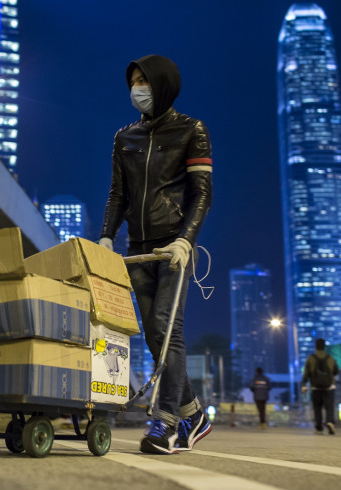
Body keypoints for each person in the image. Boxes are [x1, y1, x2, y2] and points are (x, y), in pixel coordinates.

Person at [99, 54, 213, 454]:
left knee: (168, 327)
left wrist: (186, 239)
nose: (137, 89)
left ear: (162, 84)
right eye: (132, 81)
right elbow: (118, 194)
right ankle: (195, 414)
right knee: (153, 334)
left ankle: (165, 423)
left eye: (144, 81)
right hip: (136, 249)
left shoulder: (191, 130)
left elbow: (202, 195)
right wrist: (106, 238)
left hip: (174, 248)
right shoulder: (123, 137)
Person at [301, 338, 339, 435]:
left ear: (316, 346)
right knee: (329, 407)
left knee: (317, 407)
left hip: (315, 387)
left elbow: (306, 373)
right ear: (324, 346)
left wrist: (304, 384)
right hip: (329, 387)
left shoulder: (311, 358)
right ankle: (330, 422)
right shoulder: (330, 358)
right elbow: (336, 371)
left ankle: (319, 427)